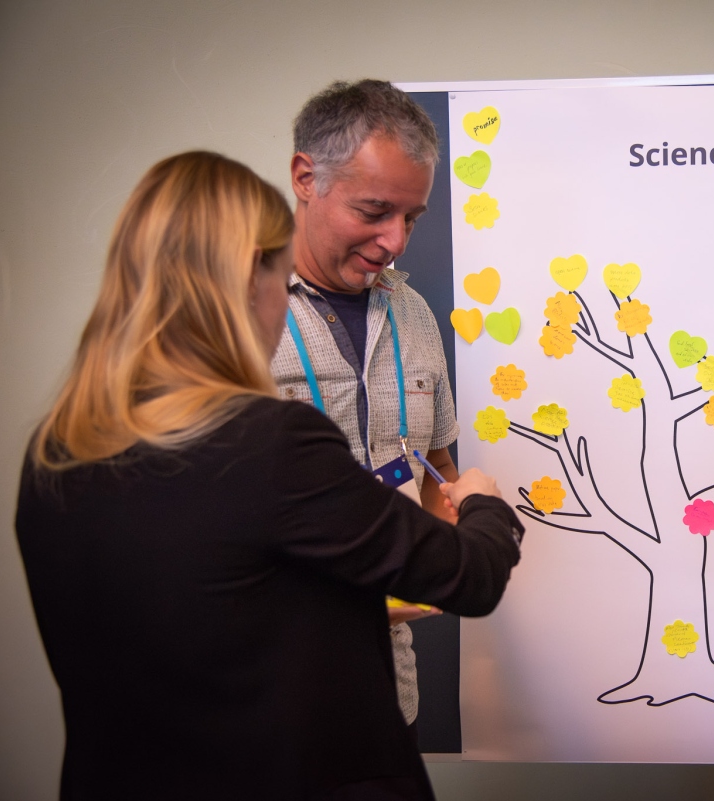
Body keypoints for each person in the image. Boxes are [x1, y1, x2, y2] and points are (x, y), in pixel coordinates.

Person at [15, 151, 523, 800]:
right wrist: (482, 505)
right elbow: (471, 577)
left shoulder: (55, 454)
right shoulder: (266, 446)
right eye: (281, 279)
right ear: (246, 281)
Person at [271, 79, 456, 735]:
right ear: (305, 176)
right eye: (374, 210)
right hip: (269, 699)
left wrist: (442, 555)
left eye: (412, 217)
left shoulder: (412, 312)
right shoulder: (231, 317)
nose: (397, 240)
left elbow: (436, 462)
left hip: (388, 691)